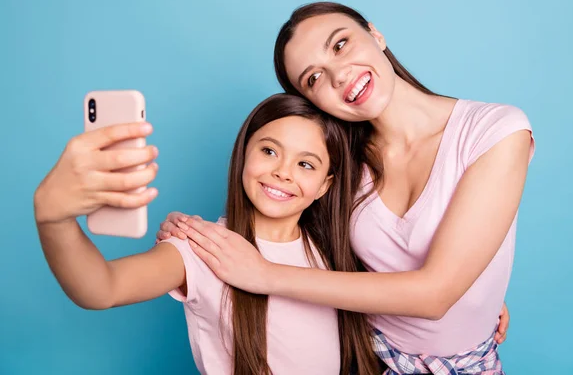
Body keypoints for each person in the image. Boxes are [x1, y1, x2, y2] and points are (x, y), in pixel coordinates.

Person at [157, 2, 534, 374]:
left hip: (466, 363)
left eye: (340, 45)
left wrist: (476, 292)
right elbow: (292, 233)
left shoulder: (495, 131)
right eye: (314, 78)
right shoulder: (336, 164)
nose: (338, 75)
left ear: (375, 34)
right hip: (359, 354)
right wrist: (192, 236)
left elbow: (436, 295)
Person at [34, 94, 381, 375]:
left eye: (305, 164)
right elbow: (101, 288)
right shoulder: (202, 246)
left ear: (325, 185)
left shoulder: (332, 250)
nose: (282, 172)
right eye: (269, 151)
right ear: (244, 153)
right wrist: (54, 220)